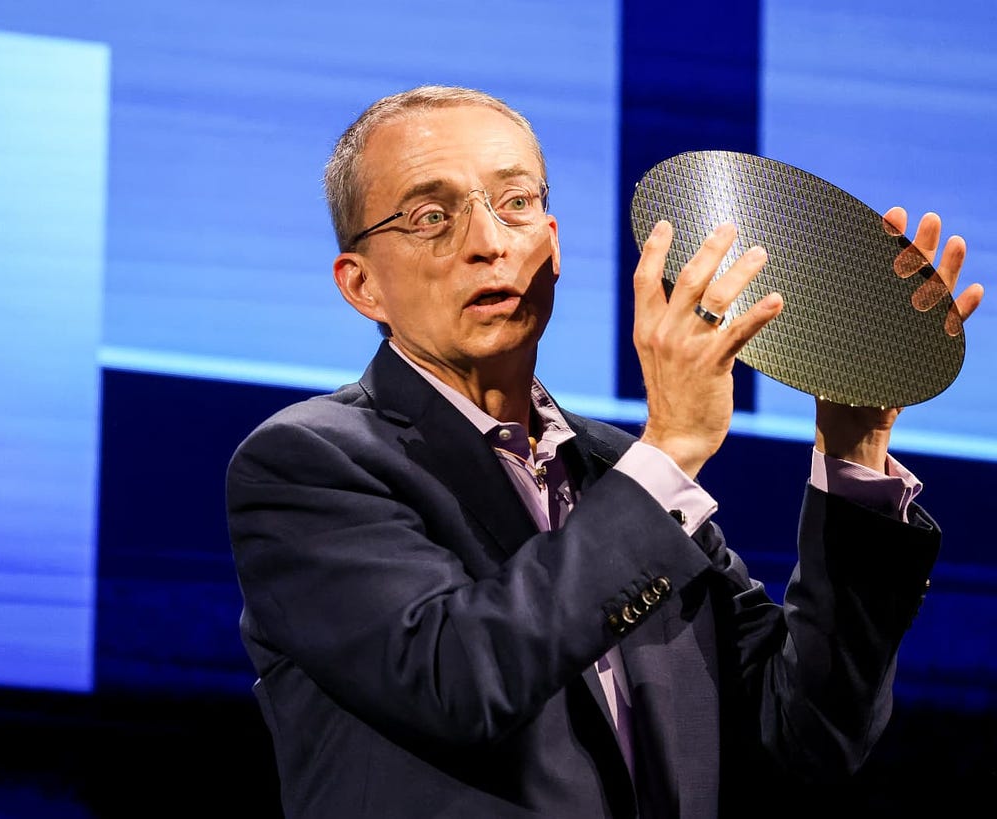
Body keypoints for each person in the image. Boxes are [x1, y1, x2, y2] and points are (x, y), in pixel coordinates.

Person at [224, 85, 985, 818]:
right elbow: (459, 680)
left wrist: (852, 450)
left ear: (552, 246)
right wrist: (673, 448)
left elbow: (810, 736)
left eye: (517, 202)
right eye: (430, 215)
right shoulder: (307, 464)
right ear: (361, 287)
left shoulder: (620, 472)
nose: (489, 243)